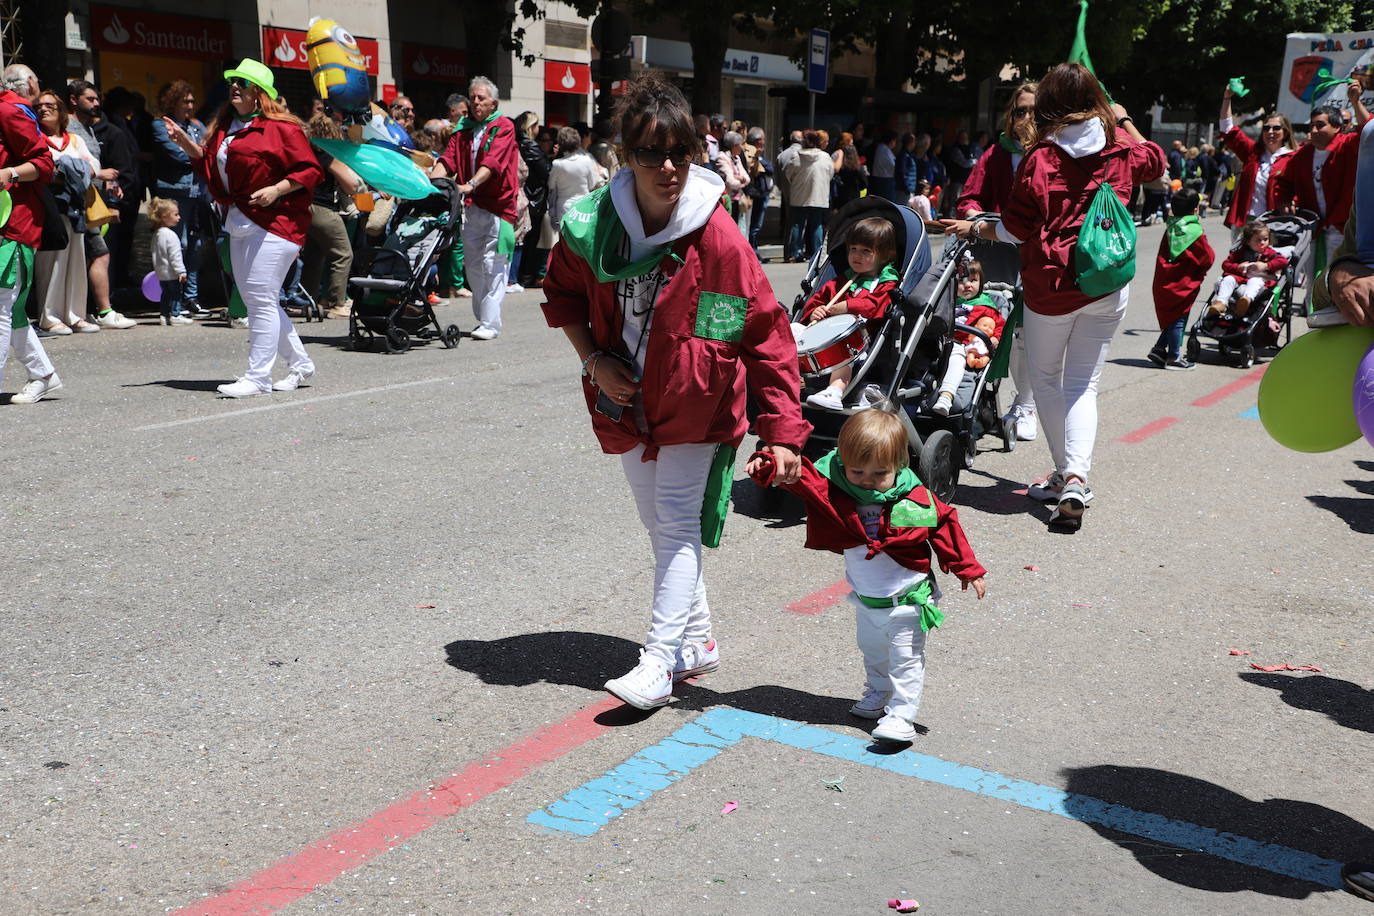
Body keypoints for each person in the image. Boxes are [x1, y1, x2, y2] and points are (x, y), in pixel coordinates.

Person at [540, 75, 810, 710]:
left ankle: (659, 663)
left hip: (698, 404)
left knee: (676, 523)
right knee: (659, 525)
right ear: (622, 157)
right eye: (649, 155)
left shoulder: (717, 238)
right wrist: (593, 360)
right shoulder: (594, 225)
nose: (668, 170)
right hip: (623, 401)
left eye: (681, 154)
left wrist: (782, 430)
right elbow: (563, 295)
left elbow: (767, 335)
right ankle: (698, 643)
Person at [941, 62, 1165, 528]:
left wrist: (974, 226)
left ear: (1047, 107)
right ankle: (1075, 476)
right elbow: (1157, 161)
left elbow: (1015, 229)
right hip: (1106, 283)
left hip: (1053, 286)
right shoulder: (1121, 148)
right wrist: (1122, 119)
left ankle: (1071, 476)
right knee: (1084, 383)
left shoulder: (1042, 158)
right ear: (1095, 103)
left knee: (1047, 380)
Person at [746, 409, 986, 743]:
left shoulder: (914, 495)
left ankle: (902, 716)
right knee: (872, 651)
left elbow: (944, 524)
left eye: (879, 473)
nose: (867, 479)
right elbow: (799, 477)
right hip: (867, 600)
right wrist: (768, 465)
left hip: (909, 600)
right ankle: (878, 692)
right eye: (857, 470)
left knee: (905, 659)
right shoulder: (835, 487)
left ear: (899, 464)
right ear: (843, 462)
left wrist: (967, 568)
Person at [163, 58, 323, 397]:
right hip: (240, 218)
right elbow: (210, 165)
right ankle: (300, 363)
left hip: (279, 220)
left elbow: (310, 170)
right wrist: (184, 142)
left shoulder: (282, 128)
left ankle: (258, 377)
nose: (234, 87)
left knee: (261, 298)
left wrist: (277, 189)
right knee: (257, 298)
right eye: (232, 82)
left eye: (243, 83)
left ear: (259, 93)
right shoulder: (225, 126)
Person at [956, 82, 1041, 442]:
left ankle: (1026, 404)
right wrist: (975, 213)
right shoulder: (995, 154)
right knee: (988, 324)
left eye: (1032, 111)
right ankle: (978, 400)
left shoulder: (1054, 154)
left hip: (1037, 256)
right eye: (1019, 110)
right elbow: (969, 197)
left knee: (1027, 336)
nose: (1024, 117)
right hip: (997, 255)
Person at [431, 76, 520, 340]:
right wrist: (433, 182)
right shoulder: (463, 129)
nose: (476, 102)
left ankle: (491, 323)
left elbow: (494, 162)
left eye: (481, 98)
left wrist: (470, 184)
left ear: (494, 102)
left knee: (495, 264)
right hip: (471, 206)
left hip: (499, 207)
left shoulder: (503, 126)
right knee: (473, 266)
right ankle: (484, 319)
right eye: (473, 97)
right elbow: (448, 160)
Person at [797, 217, 900, 410]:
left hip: (859, 342)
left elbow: (873, 306)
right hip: (822, 339)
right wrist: (814, 312)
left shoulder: (886, 283)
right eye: (853, 249)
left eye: (865, 251)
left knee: (845, 348)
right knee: (793, 330)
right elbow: (817, 300)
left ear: (885, 255)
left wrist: (843, 307)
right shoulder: (842, 280)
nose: (856, 256)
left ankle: (835, 391)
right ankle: (789, 381)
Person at [0, 64, 59, 402]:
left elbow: (44, 162)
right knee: (11, 308)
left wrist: (10, 173)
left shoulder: (9, 111)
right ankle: (43, 374)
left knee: (1, 305)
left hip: (13, 226)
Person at [65, 81, 137, 330]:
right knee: (91, 256)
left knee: (98, 254)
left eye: (97, 99)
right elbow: (69, 167)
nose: (97, 104)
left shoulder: (91, 129)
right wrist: (99, 174)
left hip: (92, 202)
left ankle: (97, 310)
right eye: (91, 99)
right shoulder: (70, 128)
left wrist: (108, 185)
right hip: (75, 204)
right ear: (74, 100)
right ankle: (84, 312)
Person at [1272, 87, 1368, 264]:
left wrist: (1356, 102)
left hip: (1344, 228)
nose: (1314, 131)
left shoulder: (1348, 145)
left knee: (1338, 278)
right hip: (1313, 227)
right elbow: (1282, 181)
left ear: (1337, 127)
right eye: (1312, 126)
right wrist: (1283, 201)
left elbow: (1368, 131)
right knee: (1313, 283)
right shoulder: (1303, 155)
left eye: (1320, 125)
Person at [33, 90, 100, 335]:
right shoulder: (36, 139)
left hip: (75, 207)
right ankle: (49, 317)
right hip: (50, 207)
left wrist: (70, 169)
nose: (44, 109)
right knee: (52, 263)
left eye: (50, 105)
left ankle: (75, 315)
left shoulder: (73, 139)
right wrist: (71, 169)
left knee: (76, 261)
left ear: (60, 110)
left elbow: (93, 164)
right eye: (39, 106)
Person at [151, 80, 210, 317]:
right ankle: (174, 303)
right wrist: (198, 152)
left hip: (199, 192)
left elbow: (209, 152)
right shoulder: (160, 124)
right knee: (179, 245)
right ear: (173, 101)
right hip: (175, 192)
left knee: (196, 246)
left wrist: (198, 152)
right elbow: (179, 154)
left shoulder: (196, 126)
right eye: (185, 100)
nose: (190, 105)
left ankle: (191, 298)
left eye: (192, 101)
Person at [302, 114, 362, 320]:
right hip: (323, 209)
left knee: (314, 256)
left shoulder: (307, 153)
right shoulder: (329, 156)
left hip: (305, 208)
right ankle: (338, 302)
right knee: (343, 254)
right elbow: (351, 185)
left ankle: (312, 300)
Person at [929, 258, 1005, 416]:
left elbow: (999, 325)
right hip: (940, 344)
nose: (968, 285)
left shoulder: (986, 306)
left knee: (957, 360)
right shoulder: (946, 302)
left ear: (981, 282)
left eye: (973, 280)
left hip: (967, 350)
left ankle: (946, 397)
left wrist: (995, 338)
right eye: (962, 280)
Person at [1148, 188, 1213, 370]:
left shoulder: (1171, 227)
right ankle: (1174, 357)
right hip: (1182, 282)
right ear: (1195, 209)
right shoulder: (1194, 232)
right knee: (1178, 319)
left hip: (1165, 281)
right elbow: (1208, 257)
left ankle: (1160, 348)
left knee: (1172, 317)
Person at [1219, 86, 1296, 238]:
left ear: (1285, 132)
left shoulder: (1294, 158)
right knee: (1239, 261)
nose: (1270, 132)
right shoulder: (1253, 152)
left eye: (1276, 128)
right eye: (1266, 128)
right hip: (1246, 221)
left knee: (1269, 261)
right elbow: (1227, 130)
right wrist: (1227, 98)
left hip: (1275, 223)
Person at [1209, 220, 1288, 318]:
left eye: (1265, 239)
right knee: (1228, 279)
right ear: (1248, 241)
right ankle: (1221, 303)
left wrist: (1266, 265)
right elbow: (1225, 264)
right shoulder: (1241, 252)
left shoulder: (1269, 253)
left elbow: (1283, 261)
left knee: (1255, 281)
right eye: (1258, 240)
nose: (1262, 242)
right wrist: (1237, 267)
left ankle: (1245, 301)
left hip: (1259, 281)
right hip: (1240, 278)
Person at [545, 125, 603, 248]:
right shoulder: (586, 160)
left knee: (565, 244)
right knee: (580, 244)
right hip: (583, 206)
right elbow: (593, 184)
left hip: (563, 208)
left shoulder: (557, 164)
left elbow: (551, 185)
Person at [784, 130, 835, 262]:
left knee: (797, 224)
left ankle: (795, 252)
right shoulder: (825, 157)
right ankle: (817, 252)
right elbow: (830, 174)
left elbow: (789, 174)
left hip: (799, 196)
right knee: (816, 224)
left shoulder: (797, 156)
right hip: (819, 196)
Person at [515, 111, 551, 289]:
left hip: (524, 196)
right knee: (531, 239)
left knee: (523, 238)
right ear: (530, 127)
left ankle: (521, 274)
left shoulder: (517, 143)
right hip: (533, 198)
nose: (538, 129)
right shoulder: (530, 145)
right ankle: (525, 275)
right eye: (536, 125)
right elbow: (545, 171)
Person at [147, 197, 191, 325]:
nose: (179, 217)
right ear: (164, 217)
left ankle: (164, 315)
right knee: (176, 294)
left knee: (165, 294)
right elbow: (175, 255)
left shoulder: (157, 234)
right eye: (176, 214)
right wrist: (181, 271)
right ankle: (175, 315)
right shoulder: (171, 235)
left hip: (161, 273)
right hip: (172, 273)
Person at [743, 126, 772, 255]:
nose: (764, 142)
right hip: (755, 193)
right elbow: (762, 169)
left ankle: (754, 251)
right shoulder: (751, 152)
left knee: (756, 225)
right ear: (757, 140)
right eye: (762, 139)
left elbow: (771, 168)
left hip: (762, 193)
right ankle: (752, 251)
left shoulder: (760, 154)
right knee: (753, 225)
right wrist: (758, 158)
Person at [716, 130, 751, 235]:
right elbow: (731, 182)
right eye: (741, 144)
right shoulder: (722, 157)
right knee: (728, 231)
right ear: (734, 145)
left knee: (738, 229)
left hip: (738, 200)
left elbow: (747, 178)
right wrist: (741, 179)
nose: (742, 147)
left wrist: (739, 178)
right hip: (728, 201)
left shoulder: (737, 158)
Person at [776, 130, 803, 260]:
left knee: (789, 223)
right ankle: (797, 251)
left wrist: (783, 190)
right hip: (802, 194)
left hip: (786, 194)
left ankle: (787, 252)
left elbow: (777, 179)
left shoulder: (781, 155)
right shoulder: (804, 154)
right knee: (799, 223)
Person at [941, 129, 977, 218]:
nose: (964, 139)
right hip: (957, 180)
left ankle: (959, 219)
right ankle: (951, 220)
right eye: (962, 137)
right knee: (955, 201)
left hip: (966, 181)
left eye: (966, 137)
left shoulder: (969, 149)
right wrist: (976, 161)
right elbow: (964, 163)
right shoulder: (956, 149)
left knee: (963, 202)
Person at [833, 144, 868, 210]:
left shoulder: (840, 168)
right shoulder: (859, 168)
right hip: (854, 195)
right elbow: (864, 183)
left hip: (841, 196)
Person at [869, 130, 898, 201]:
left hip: (881, 179)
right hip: (885, 181)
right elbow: (892, 165)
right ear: (891, 141)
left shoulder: (883, 149)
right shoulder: (884, 150)